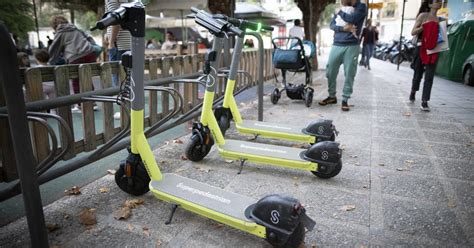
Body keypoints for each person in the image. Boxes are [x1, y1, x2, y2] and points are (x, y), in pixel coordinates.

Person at [319, 0, 367, 111]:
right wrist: (343, 28)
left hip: (352, 45)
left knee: (349, 72)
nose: (341, 1)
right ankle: (332, 96)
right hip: (337, 44)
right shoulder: (342, 8)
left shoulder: (361, 7)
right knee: (330, 70)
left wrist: (340, 13)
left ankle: (345, 100)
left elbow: (353, 19)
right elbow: (332, 25)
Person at [48, 15, 97, 113]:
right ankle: (93, 103)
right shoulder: (75, 29)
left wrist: (51, 61)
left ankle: (79, 105)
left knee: (75, 80)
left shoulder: (60, 32)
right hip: (89, 53)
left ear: (54, 25)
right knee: (87, 77)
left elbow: (54, 49)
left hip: (75, 56)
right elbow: (90, 38)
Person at [409, 0, 442, 111]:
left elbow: (442, 39)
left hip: (434, 49)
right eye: (437, 1)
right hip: (420, 47)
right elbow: (413, 32)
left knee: (429, 76)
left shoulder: (441, 20)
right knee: (418, 73)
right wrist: (424, 27)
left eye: (441, 1)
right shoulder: (423, 16)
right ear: (430, 4)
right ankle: (413, 91)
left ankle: (424, 101)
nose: (440, 3)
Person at [106, 0, 132, 87]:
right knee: (129, 82)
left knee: (117, 85)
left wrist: (111, 42)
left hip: (119, 45)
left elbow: (116, 19)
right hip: (130, 42)